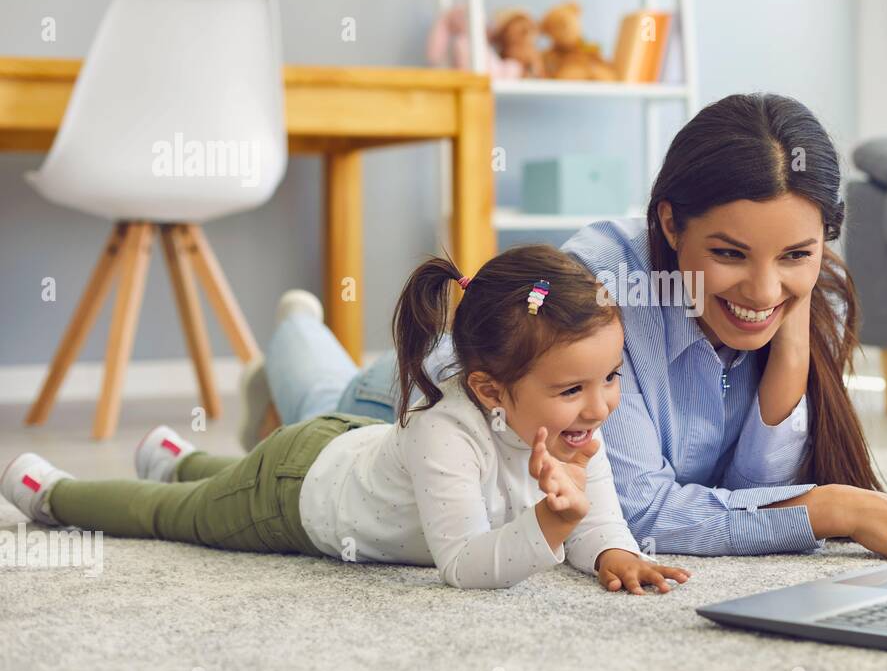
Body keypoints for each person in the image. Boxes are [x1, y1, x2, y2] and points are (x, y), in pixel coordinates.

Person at [241, 93, 887, 560]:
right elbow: (641, 510)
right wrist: (835, 509)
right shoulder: (607, 284)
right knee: (319, 409)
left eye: (798, 253)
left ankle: (296, 340)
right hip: (430, 402)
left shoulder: (803, 292)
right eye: (729, 254)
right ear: (670, 221)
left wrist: (791, 335)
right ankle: (294, 325)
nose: (763, 286)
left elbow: (747, 488)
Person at [2, 245, 690, 594]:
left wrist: (612, 551)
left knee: (213, 482)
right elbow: (462, 563)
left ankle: (180, 456)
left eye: (612, 376)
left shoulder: (576, 429)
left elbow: (592, 512)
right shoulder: (446, 434)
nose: (600, 405)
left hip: (342, 447)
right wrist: (548, 525)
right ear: (489, 389)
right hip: (295, 494)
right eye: (574, 388)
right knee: (176, 514)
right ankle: (55, 495)